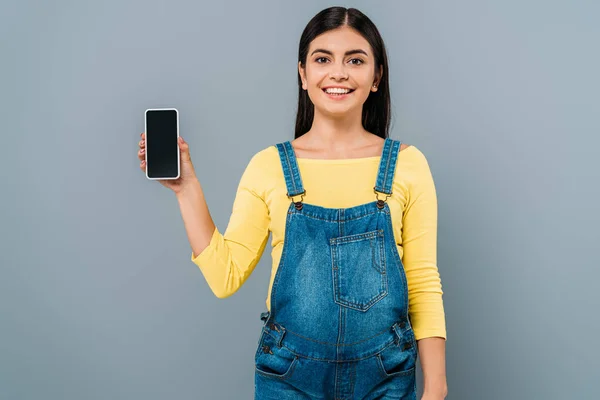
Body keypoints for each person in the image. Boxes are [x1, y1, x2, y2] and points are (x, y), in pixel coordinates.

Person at [137, 6, 447, 400]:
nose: (338, 73)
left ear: (376, 77)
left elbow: (422, 281)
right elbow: (225, 276)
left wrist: (435, 385)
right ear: (303, 74)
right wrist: (186, 188)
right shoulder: (269, 167)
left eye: (355, 59)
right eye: (323, 59)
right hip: (289, 380)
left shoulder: (408, 164)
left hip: (386, 376)